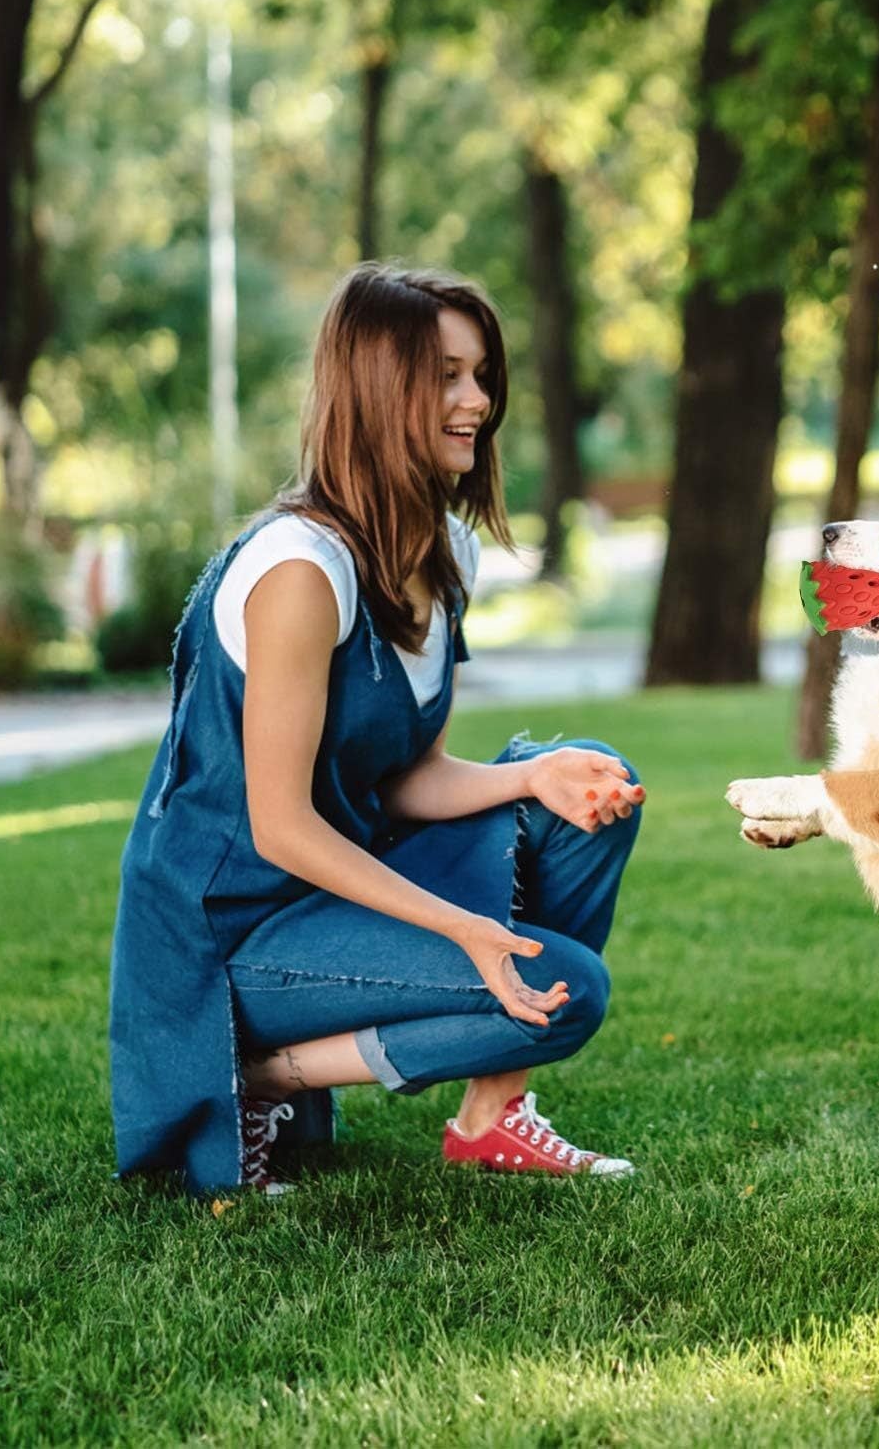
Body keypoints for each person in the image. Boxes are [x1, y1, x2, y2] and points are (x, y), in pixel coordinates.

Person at [109, 264, 644, 1196]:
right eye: (446, 375)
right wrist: (467, 928)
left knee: (592, 789)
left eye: (479, 375)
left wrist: (533, 777)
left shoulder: (443, 550)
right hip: (232, 936)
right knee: (572, 989)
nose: (476, 401)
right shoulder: (299, 573)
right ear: (375, 389)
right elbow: (278, 826)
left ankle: (493, 1117)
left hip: (338, 887)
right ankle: (255, 1074)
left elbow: (406, 778)